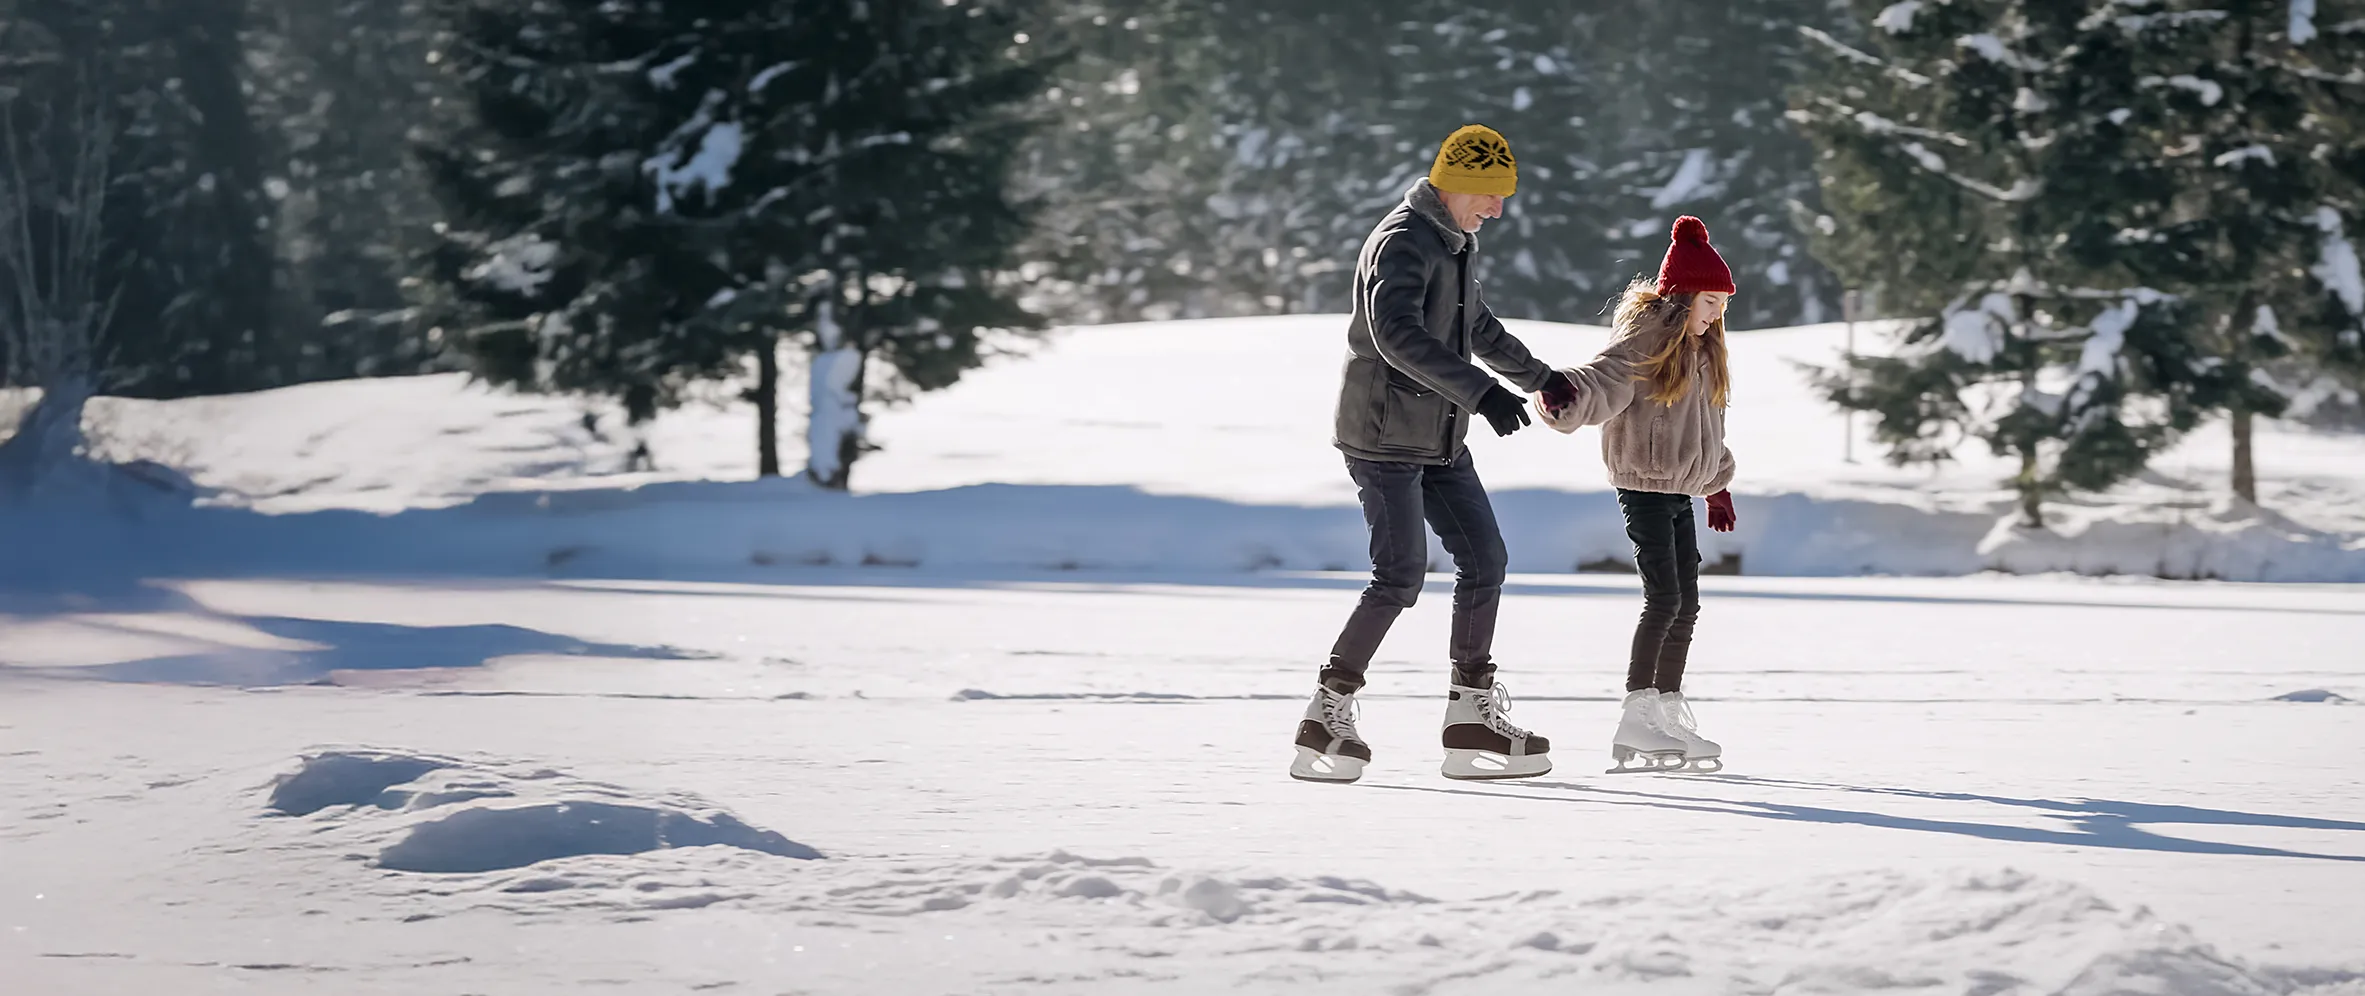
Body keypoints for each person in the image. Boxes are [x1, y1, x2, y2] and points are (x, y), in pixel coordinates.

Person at [1293, 124, 1577, 784]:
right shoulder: (1402, 241)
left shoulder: (1456, 242)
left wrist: (1539, 379)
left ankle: (1469, 714)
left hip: (1439, 437)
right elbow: (1394, 334)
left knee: (1485, 559)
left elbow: (1474, 325)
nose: (1498, 209)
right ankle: (1325, 712)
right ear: (1457, 183)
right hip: (1384, 434)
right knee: (1398, 576)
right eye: (1490, 194)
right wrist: (1482, 394)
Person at [1535, 215, 1740, 774]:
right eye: (1710, 301)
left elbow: (1707, 430)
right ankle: (1637, 712)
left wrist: (1717, 484)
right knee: (1665, 599)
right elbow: (1604, 379)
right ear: (1682, 297)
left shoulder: (1701, 351)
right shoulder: (1648, 340)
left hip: (1679, 490)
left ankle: (1666, 711)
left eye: (1723, 302)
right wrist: (1565, 397)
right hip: (1642, 485)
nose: (1718, 312)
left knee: (1688, 602)